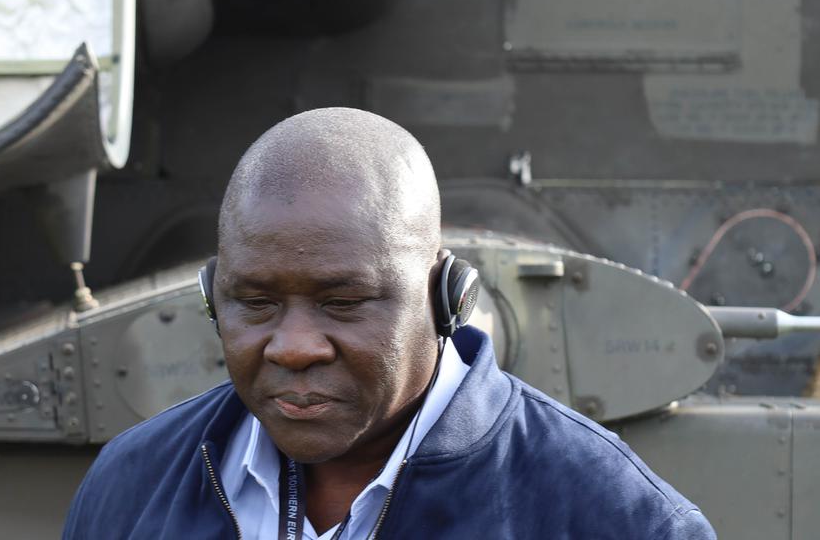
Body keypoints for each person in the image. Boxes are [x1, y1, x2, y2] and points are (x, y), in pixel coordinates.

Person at [63, 108, 715, 539]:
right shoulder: (133, 483)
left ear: (446, 298)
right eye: (254, 302)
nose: (293, 347)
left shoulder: (616, 518)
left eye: (343, 303)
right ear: (212, 296)